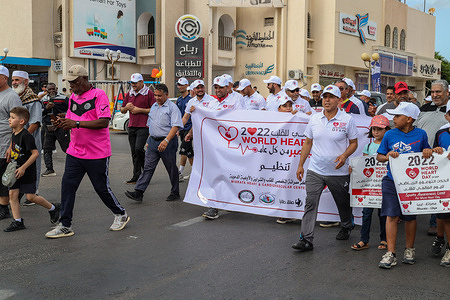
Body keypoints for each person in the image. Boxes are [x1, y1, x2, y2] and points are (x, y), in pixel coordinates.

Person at [45, 65, 129, 238]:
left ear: (84, 79)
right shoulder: (73, 97)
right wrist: (63, 120)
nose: (71, 86)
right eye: (69, 82)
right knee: (68, 186)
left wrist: (75, 124)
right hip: (75, 151)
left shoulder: (99, 95)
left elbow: (103, 122)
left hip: (97, 153)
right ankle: (65, 224)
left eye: (74, 82)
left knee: (101, 188)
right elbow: (72, 117)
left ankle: (121, 214)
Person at [292, 85, 358, 252]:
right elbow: (308, 143)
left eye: (331, 96)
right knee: (310, 203)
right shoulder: (314, 118)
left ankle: (346, 225)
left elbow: (354, 143)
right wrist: (300, 165)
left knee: (342, 203)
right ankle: (306, 239)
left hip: (338, 171)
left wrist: (344, 156)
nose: (327, 100)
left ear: (339, 100)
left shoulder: (347, 119)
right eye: (325, 96)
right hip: (315, 170)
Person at [377, 102, 431, 269]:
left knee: (410, 216)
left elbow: (427, 153)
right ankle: (391, 253)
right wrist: (387, 157)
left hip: (412, 183)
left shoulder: (421, 134)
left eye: (397, 116)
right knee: (391, 215)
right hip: (391, 180)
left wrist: (429, 152)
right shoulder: (389, 134)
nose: (393, 119)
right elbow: (379, 156)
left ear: (409, 119)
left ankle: (409, 249)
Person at [4, 107, 60, 232]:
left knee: (30, 197)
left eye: (12, 118)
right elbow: (14, 145)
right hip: (15, 171)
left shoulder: (26, 136)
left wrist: (23, 167)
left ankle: (53, 208)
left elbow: (35, 154)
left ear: (22, 121)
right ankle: (17, 221)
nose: (9, 119)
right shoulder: (14, 133)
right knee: (12, 194)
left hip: (27, 171)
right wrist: (9, 150)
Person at [125, 83, 183, 202]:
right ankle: (139, 192)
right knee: (148, 167)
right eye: (155, 95)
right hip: (152, 142)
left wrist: (166, 141)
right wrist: (149, 140)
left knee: (171, 168)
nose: (157, 98)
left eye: (159, 96)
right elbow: (151, 124)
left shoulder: (172, 108)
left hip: (167, 142)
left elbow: (176, 126)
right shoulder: (154, 106)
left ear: (166, 95)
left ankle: (175, 192)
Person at [201, 76, 243, 220]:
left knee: (232, 174)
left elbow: (242, 120)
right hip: (215, 146)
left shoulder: (236, 100)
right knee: (215, 174)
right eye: (216, 88)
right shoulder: (211, 103)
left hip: (232, 145)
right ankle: (214, 206)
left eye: (220, 87)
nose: (218, 90)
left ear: (227, 88)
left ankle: (236, 199)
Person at [414, 80, 449, 247]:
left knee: (439, 190)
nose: (435, 95)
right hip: (423, 157)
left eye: (438, 92)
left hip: (443, 160)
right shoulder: (423, 109)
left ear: (447, 92)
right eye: (433, 92)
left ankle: (436, 224)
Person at [351, 115, 390, 251]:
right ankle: (364, 239)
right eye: (374, 129)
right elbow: (363, 164)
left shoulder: (389, 145)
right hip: (369, 187)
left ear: (386, 130)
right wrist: (354, 167)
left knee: (382, 214)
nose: (376, 132)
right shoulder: (368, 146)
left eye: (379, 129)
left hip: (383, 185)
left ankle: (385, 239)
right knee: (366, 213)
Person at [11, 71, 43, 203]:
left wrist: (23, 138)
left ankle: (32, 193)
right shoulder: (15, 97)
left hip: (29, 140)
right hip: (17, 140)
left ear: (25, 82)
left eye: (17, 80)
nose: (14, 83)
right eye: (13, 80)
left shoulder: (33, 100)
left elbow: (35, 123)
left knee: (31, 166)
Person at [121, 73, 155, 184]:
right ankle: (137, 175)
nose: (134, 85)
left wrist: (139, 110)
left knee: (138, 149)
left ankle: (146, 169)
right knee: (134, 152)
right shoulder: (129, 93)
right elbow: (122, 109)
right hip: (132, 126)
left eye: (135, 83)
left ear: (141, 82)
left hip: (144, 126)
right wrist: (126, 107)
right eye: (132, 83)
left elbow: (153, 109)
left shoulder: (148, 93)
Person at [0, 66, 23, 220]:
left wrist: (11, 146)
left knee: (3, 176)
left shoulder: (12, 97)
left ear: (4, 78)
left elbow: (19, 125)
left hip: (5, 143)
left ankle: (4, 208)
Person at [432, 104, 450, 267]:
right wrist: (435, 150)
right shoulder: (441, 133)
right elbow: (432, 153)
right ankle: (439, 238)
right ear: (447, 117)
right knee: (442, 212)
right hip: (443, 179)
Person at [41, 83, 70, 177]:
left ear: (56, 89)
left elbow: (72, 110)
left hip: (61, 126)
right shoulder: (44, 99)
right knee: (47, 148)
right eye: (49, 89)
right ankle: (49, 169)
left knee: (67, 148)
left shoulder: (63, 98)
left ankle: (74, 167)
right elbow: (40, 112)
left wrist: (64, 115)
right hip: (48, 127)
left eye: (53, 89)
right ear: (46, 90)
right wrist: (46, 108)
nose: (52, 91)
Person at [175, 78, 193, 181]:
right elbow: (179, 115)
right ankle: (195, 172)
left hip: (190, 128)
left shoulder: (191, 99)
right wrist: (177, 129)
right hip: (182, 128)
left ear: (187, 85)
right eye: (179, 85)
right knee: (189, 152)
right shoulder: (179, 99)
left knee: (183, 150)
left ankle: (180, 173)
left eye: (182, 85)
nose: (180, 86)